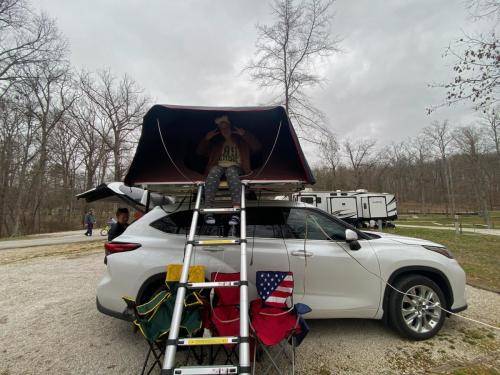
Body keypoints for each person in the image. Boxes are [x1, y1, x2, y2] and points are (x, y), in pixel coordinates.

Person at [197, 115, 261, 225]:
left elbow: (257, 147)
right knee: (214, 171)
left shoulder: (241, 140)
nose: (224, 130)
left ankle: (236, 211)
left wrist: (245, 135)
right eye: (221, 128)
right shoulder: (216, 143)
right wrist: (206, 139)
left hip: (236, 168)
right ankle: (208, 211)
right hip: (220, 167)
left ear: (230, 127)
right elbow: (199, 152)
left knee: (231, 170)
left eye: (225, 126)